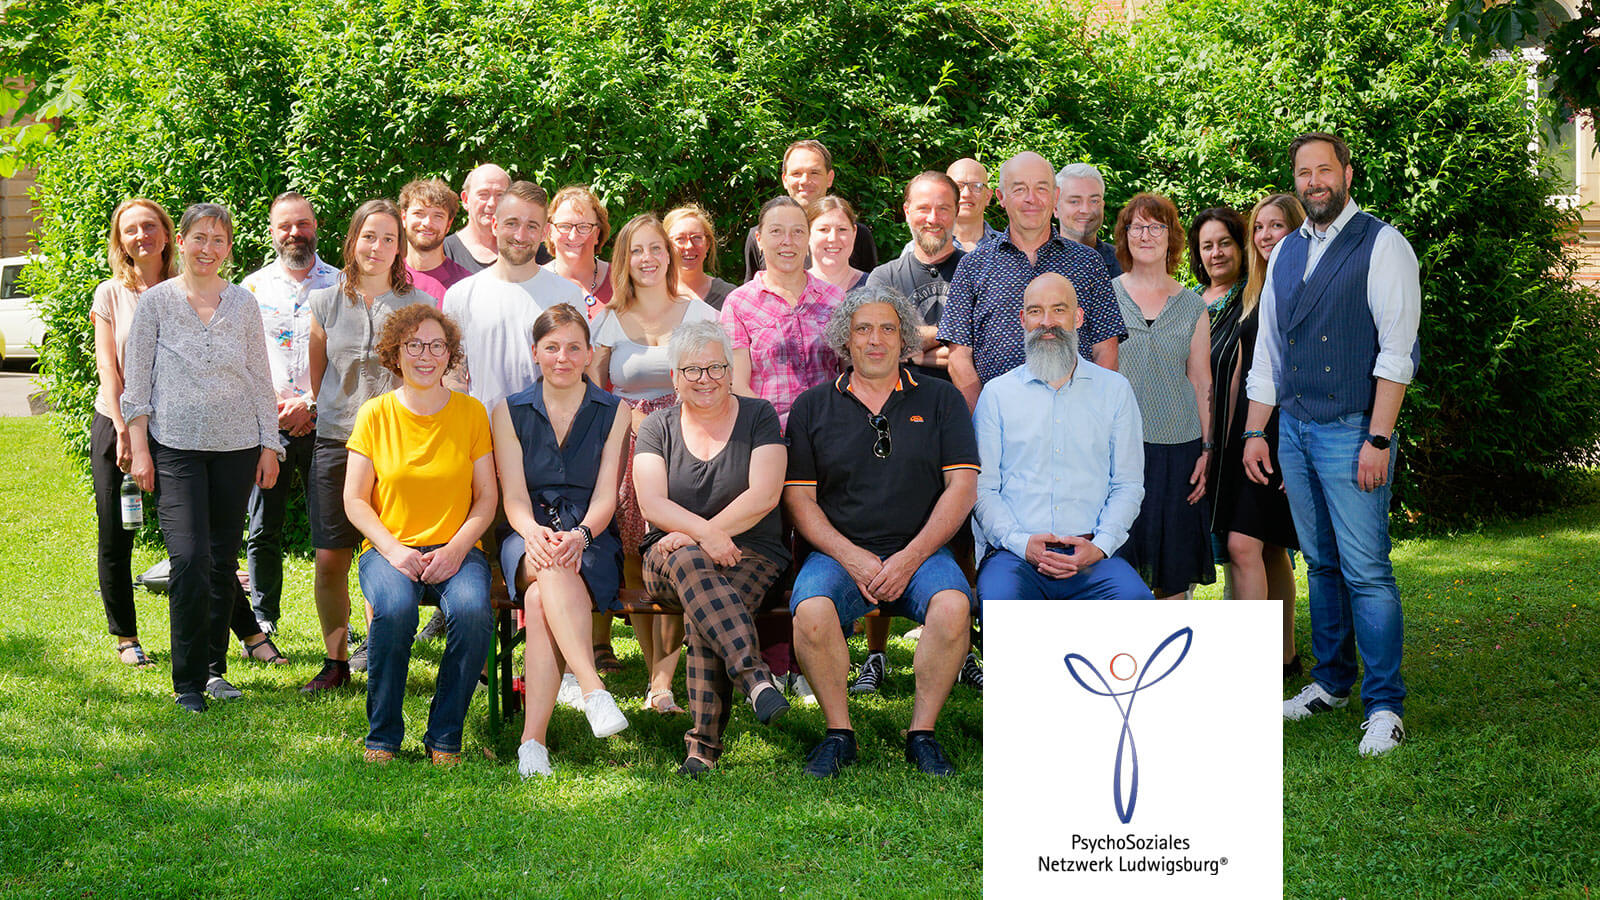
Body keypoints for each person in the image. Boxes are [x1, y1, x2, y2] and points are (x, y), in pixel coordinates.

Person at [1246, 132, 1421, 757]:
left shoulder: (1383, 244)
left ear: (1347, 173)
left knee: (1367, 570)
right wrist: (1255, 430)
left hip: (1352, 429)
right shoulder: (1286, 251)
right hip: (1293, 429)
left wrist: (1378, 437)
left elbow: (1397, 353)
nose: (1314, 181)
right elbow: (1269, 351)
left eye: (1324, 170)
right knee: (1321, 564)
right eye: (1303, 172)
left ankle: (1385, 705)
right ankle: (1331, 683)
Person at [785, 286, 979, 777]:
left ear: (904, 338)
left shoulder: (941, 399)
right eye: (863, 329)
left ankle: (922, 734)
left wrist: (911, 558)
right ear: (845, 340)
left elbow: (962, 488)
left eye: (888, 329)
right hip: (837, 554)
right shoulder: (812, 407)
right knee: (811, 612)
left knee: (953, 606)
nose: (876, 340)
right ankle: (839, 733)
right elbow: (800, 501)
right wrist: (850, 556)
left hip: (922, 552)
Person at [122, 203, 283, 712]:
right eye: (199, 238)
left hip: (237, 450)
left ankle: (213, 671)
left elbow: (260, 378)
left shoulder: (244, 304)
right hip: (175, 449)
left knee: (220, 563)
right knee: (189, 559)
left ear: (228, 248)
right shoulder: (157, 302)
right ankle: (187, 682)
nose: (207, 248)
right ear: (182, 242)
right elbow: (136, 383)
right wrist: (140, 448)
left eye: (218, 239)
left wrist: (270, 444)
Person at [633, 320, 792, 776]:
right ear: (674, 377)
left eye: (716, 367)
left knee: (708, 609)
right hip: (668, 558)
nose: (705, 379)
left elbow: (764, 495)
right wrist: (705, 537)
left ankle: (701, 751)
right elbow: (651, 503)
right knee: (691, 565)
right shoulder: (657, 426)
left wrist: (701, 533)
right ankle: (755, 678)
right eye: (692, 370)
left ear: (730, 369)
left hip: (752, 552)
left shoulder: (759, 416)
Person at [345, 304, 496, 765]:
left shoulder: (471, 413)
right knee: (393, 610)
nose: (425, 355)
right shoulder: (375, 414)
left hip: (457, 549)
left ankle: (444, 736)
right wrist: (394, 550)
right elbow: (355, 500)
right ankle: (383, 736)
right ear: (395, 353)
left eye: (436, 345)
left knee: (472, 613)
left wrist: (456, 549)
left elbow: (486, 498)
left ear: (450, 354)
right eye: (414, 345)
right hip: (388, 549)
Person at [299, 199, 435, 692]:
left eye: (389, 239)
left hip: (398, 444)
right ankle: (336, 661)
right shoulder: (324, 302)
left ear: (400, 249)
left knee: (387, 553)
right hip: (337, 440)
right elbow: (319, 376)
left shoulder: (418, 304)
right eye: (369, 236)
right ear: (352, 240)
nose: (377, 247)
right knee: (331, 557)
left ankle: (381, 653)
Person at [589, 214, 720, 712]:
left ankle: (666, 676)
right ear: (623, 261)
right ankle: (655, 677)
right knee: (632, 554)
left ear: (668, 255)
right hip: (626, 441)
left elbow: (716, 377)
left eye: (655, 248)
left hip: (687, 438)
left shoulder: (697, 313)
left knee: (676, 548)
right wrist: (628, 421)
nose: (647, 259)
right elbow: (594, 387)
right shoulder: (609, 318)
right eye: (636, 251)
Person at [496, 305, 632, 776]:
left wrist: (581, 534)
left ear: (589, 353)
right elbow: (514, 496)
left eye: (574, 347)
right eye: (552, 347)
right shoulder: (508, 410)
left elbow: (607, 495)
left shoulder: (614, 411)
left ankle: (532, 744)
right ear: (535, 352)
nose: (563, 357)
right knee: (549, 562)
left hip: (590, 533)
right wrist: (532, 532)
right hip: (526, 531)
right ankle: (592, 688)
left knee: (539, 602)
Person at [971, 273, 1151, 601]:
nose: (1047, 322)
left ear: (1078, 317)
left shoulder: (1115, 391)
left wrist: (1101, 545)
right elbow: (982, 489)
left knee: (1135, 603)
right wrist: (1021, 543)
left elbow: (1127, 484)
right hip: (1016, 556)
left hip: (1092, 554)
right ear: (1023, 320)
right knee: (1002, 607)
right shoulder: (997, 395)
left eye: (1058, 309)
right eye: (1036, 311)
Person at [939, 151, 1126, 412]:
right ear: (1001, 197)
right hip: (999, 420)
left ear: (1055, 196)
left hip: (1076, 418)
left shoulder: (1089, 263)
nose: (1031, 198)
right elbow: (959, 356)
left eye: (1041, 188)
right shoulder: (973, 266)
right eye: (1019, 189)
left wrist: (1091, 413)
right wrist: (983, 417)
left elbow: (1106, 350)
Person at [239, 191, 339, 639]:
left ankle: (339, 621)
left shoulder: (341, 284)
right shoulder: (251, 288)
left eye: (303, 223)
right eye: (285, 226)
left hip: (326, 424)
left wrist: (311, 403)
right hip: (268, 426)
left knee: (332, 530)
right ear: (272, 232)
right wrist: (273, 410)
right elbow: (242, 358)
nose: (295, 233)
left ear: (316, 227)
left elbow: (348, 359)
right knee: (264, 526)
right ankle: (264, 615)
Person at [1211, 193, 1304, 673]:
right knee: (1267, 545)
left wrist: (1287, 445)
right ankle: (1284, 656)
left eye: (1277, 225)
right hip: (1248, 435)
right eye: (1260, 227)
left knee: (1244, 543)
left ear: (1297, 229)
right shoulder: (1254, 290)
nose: (1266, 235)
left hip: (1279, 433)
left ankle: (1253, 663)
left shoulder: (1301, 286)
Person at [1109, 193, 1215, 600]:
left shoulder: (1192, 306)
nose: (1146, 235)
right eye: (1137, 226)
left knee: (1173, 573)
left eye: (1157, 227)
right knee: (1120, 566)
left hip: (1179, 451)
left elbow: (1201, 381)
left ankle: (1173, 641)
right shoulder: (1106, 297)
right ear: (1124, 236)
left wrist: (1207, 449)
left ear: (1171, 237)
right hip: (1119, 450)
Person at [91, 198, 176, 668]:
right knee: (115, 533)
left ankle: (248, 632)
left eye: (149, 226)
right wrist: (124, 430)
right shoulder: (109, 293)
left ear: (166, 234)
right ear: (120, 241)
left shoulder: (187, 288)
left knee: (195, 534)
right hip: (116, 423)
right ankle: (126, 636)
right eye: (130, 230)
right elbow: (108, 366)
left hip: (176, 427)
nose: (141, 236)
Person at [442, 181, 585, 414]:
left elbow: (578, 370)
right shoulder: (460, 295)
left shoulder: (567, 295)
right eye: (512, 223)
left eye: (531, 226)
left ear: (544, 233)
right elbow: (453, 373)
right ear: (495, 225)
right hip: (482, 431)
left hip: (550, 430)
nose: (520, 235)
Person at [723, 196, 847, 430]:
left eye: (798, 232)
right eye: (776, 231)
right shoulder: (738, 303)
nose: (787, 241)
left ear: (808, 239)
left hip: (832, 428)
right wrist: (771, 428)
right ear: (759, 239)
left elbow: (850, 372)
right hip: (769, 433)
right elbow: (737, 384)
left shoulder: (836, 298)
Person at [868, 171, 965, 379]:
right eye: (923, 208)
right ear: (907, 211)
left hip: (966, 397)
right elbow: (880, 344)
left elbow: (984, 350)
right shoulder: (884, 278)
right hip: (899, 397)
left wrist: (913, 355)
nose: (933, 219)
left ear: (957, 211)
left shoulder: (979, 272)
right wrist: (957, 334)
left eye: (943, 209)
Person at [743, 140, 877, 280]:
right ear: (785, 180)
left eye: (814, 173)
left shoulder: (856, 236)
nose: (805, 181)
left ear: (829, 178)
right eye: (796, 173)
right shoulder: (761, 236)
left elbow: (871, 288)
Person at [543, 185, 612, 321]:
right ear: (550, 233)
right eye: (564, 226)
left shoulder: (621, 282)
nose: (573, 236)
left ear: (597, 234)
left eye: (584, 227)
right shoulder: (536, 283)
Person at [399, 177, 473, 304]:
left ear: (448, 224)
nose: (427, 223)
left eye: (438, 216)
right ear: (404, 218)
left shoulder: (466, 286)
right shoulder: (385, 278)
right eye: (419, 213)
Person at [663, 205, 736, 310]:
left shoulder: (729, 296)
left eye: (697, 237)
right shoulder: (653, 295)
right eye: (680, 239)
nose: (689, 246)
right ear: (666, 246)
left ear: (707, 245)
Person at [1055, 162, 1121, 277]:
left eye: (1094, 201)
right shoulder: (1034, 265)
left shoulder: (1127, 265)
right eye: (1074, 201)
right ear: (1055, 208)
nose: (1085, 210)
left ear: (1102, 205)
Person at [442, 163, 511, 272]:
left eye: (500, 195)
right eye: (483, 194)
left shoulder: (527, 250)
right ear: (465, 200)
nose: (492, 203)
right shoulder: (442, 253)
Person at [1191, 206, 1248, 316]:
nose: (1216, 253)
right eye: (1208, 247)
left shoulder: (1255, 297)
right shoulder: (1188, 300)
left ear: (1241, 247)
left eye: (1225, 243)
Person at [806, 196, 869, 293]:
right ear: (807, 234)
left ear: (854, 233)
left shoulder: (872, 286)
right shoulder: (791, 290)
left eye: (842, 229)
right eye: (823, 229)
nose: (833, 238)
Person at [944, 158, 1002, 251]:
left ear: (988, 197)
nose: (966, 194)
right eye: (957, 186)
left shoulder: (1010, 248)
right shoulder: (923, 248)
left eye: (976, 186)